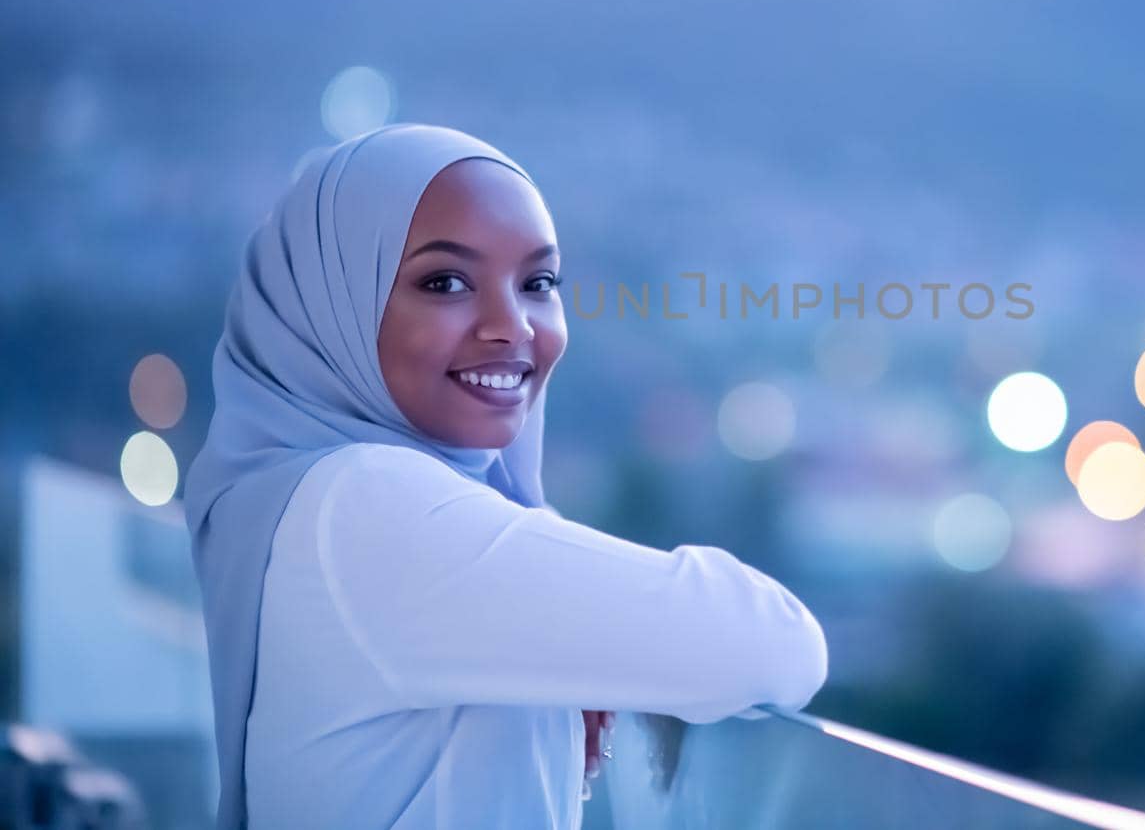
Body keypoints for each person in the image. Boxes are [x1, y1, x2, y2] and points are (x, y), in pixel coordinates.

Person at [181, 123, 829, 830]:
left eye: (538, 282)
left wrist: (565, 639)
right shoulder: (370, 506)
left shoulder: (308, 499)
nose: (511, 325)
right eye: (446, 281)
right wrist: (589, 642)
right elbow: (776, 644)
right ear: (329, 307)